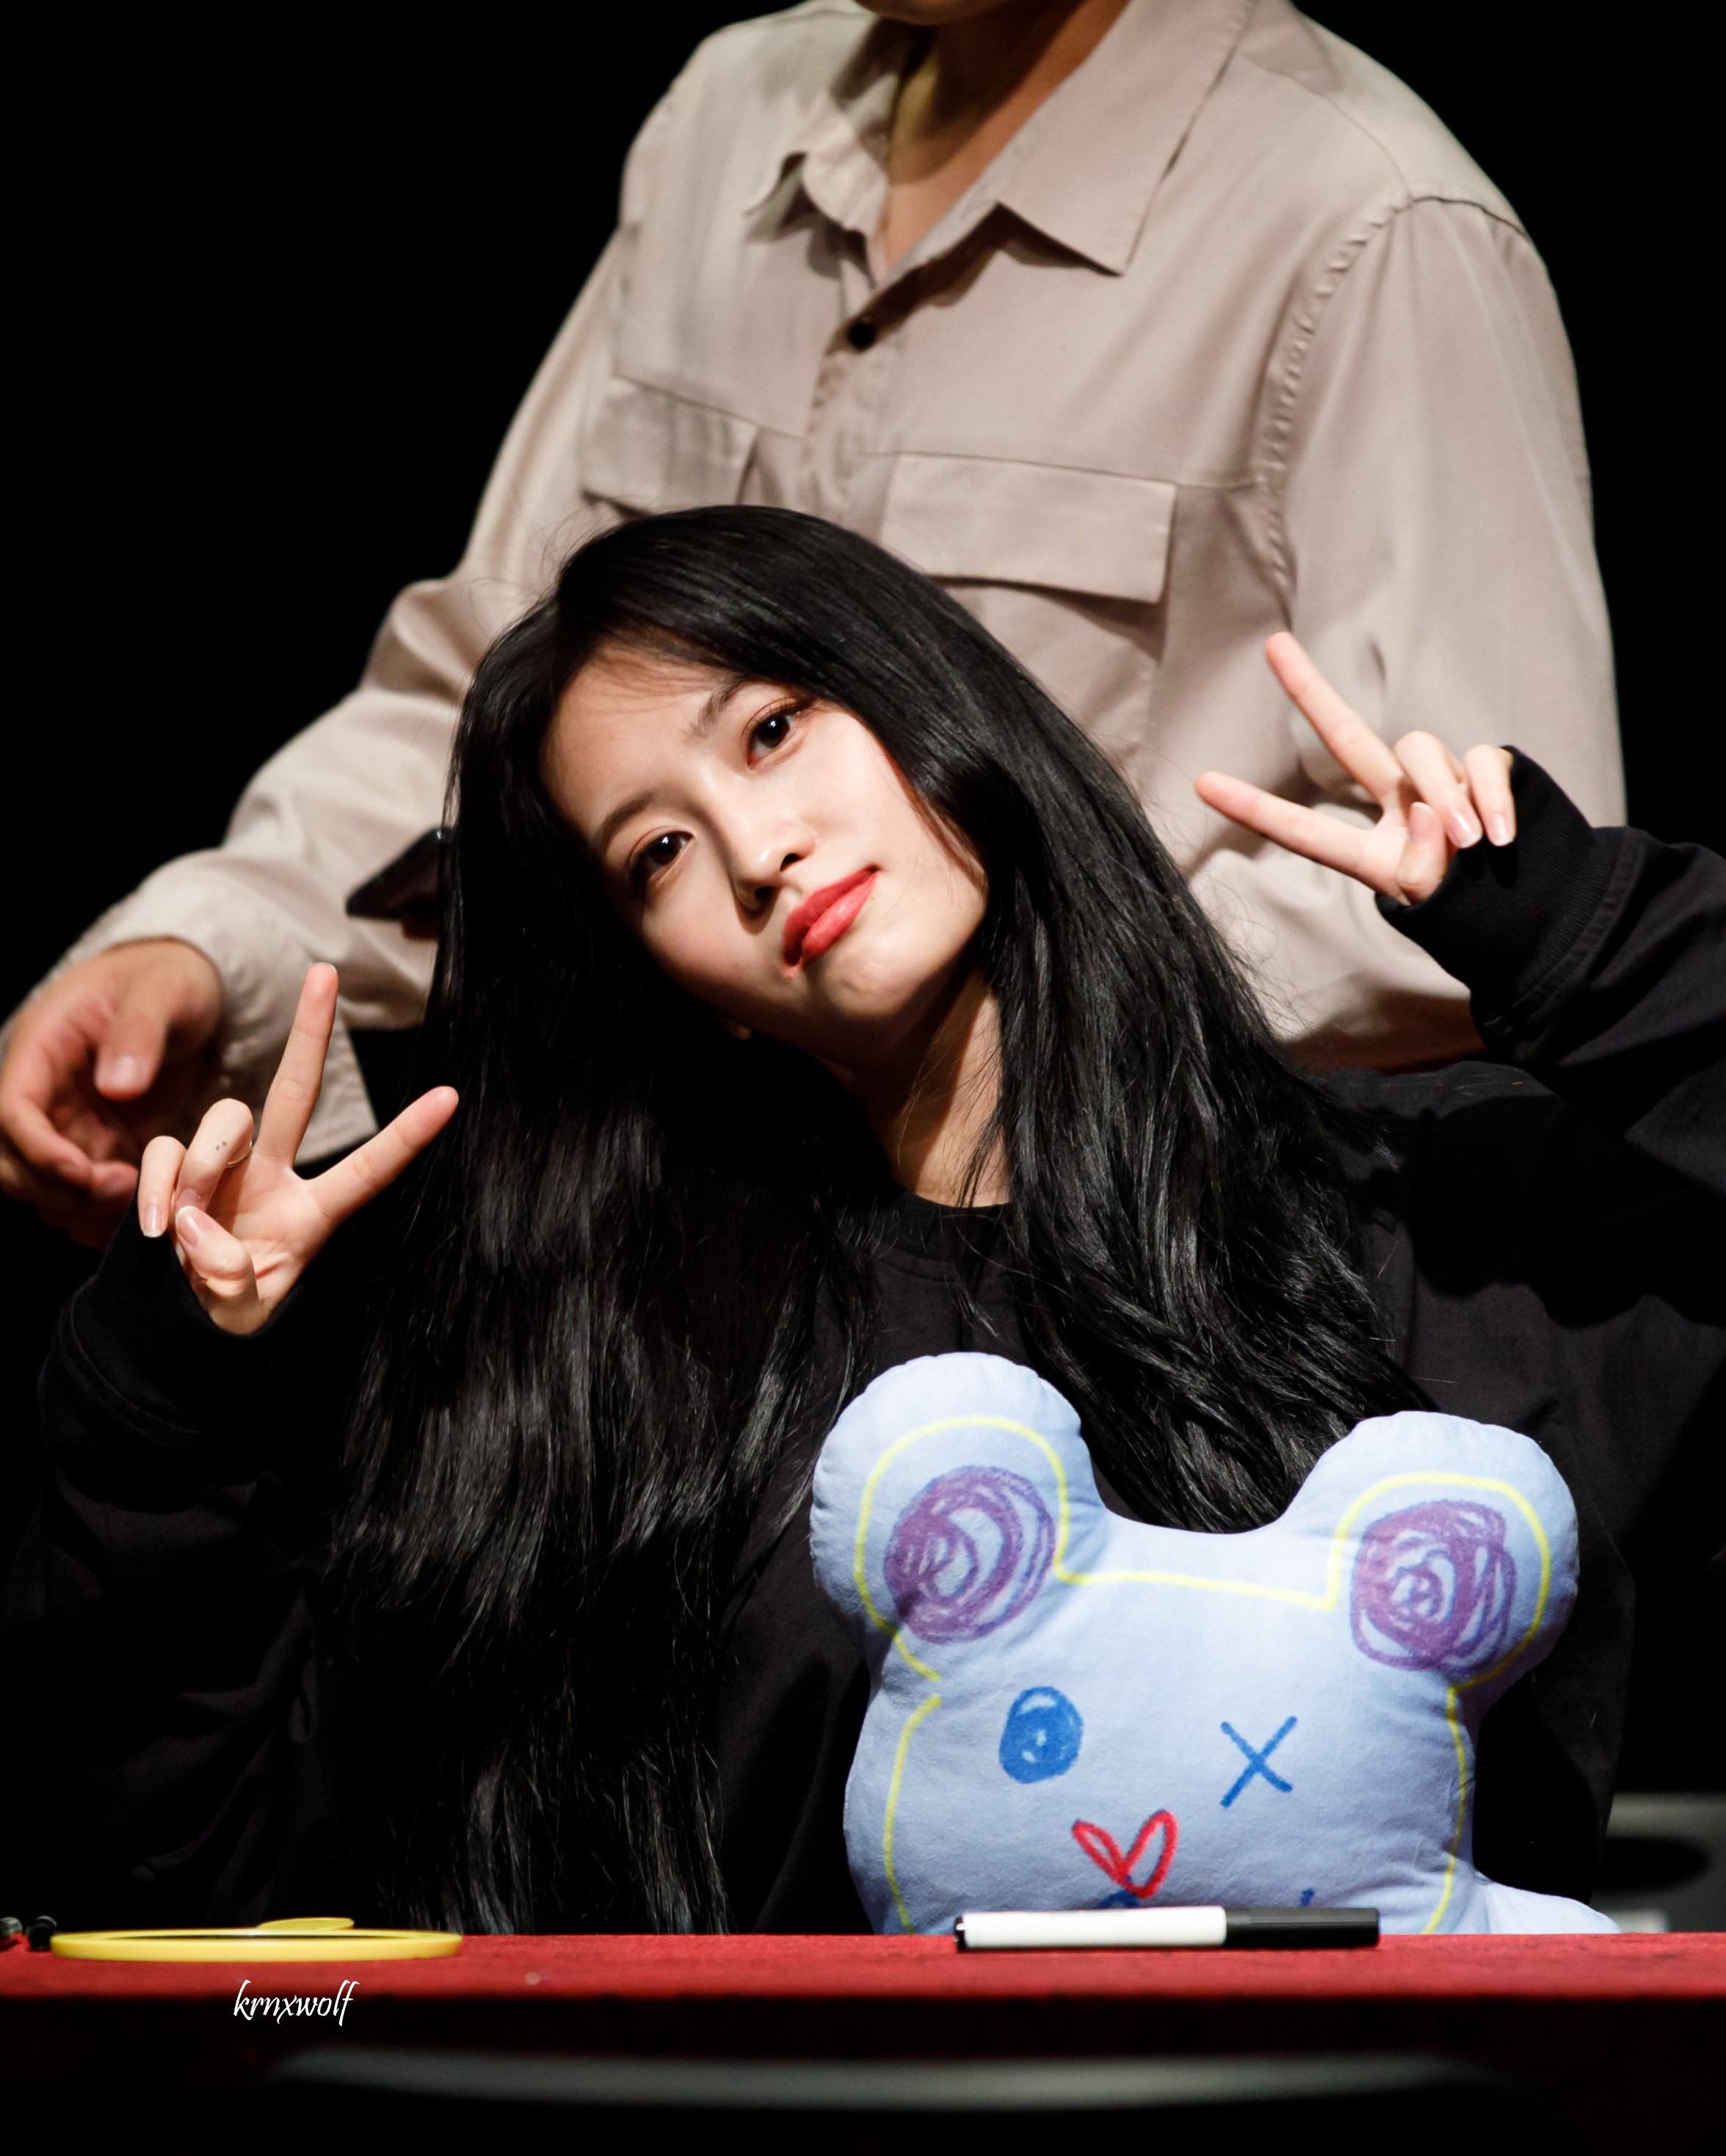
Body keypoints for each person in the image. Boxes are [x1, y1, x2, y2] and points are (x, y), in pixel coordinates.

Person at [4, 509, 1726, 1931]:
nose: (757, 846)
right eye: (655, 852)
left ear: (934, 707)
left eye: (777, 728)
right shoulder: (613, 1359)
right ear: (670, 978)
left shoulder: (1432, 1225)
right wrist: (163, 1390)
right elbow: (228, 1904)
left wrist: (1588, 943)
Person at [0, 0, 1624, 1244]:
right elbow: (500, 699)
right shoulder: (730, 121)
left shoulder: (1361, 219)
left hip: (1135, 1281)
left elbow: (1489, 874)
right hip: (713, 1298)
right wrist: (211, 942)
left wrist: (1016, 1055)